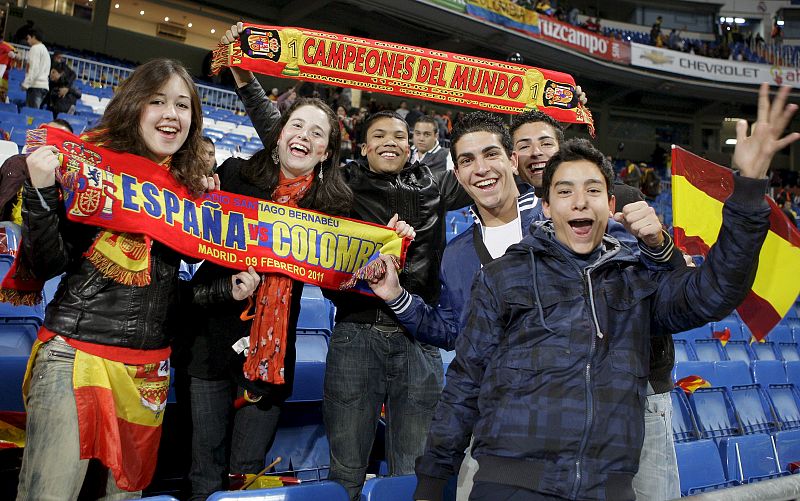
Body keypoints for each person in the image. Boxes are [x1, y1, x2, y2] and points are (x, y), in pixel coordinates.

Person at [414, 84, 798, 501]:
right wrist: (433, 482)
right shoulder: (502, 277)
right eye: (564, 191)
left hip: (606, 488)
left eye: (592, 190)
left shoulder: (636, 280)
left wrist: (749, 187)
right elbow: (465, 383)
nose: (579, 202)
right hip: (509, 486)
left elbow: (717, 290)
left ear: (611, 203)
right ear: (545, 206)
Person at [370, 112, 679, 500]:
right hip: (506, 435)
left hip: (608, 423)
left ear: (512, 161)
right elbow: (454, 333)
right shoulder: (458, 254)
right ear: (459, 174)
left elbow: (659, 288)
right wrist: (397, 297)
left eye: (491, 154)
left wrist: (661, 247)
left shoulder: (570, 213)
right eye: (466, 161)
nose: (481, 169)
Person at [220, 23, 465, 501]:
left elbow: (491, 168)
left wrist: (526, 98)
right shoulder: (341, 186)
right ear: (363, 145)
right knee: (346, 473)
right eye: (380, 134)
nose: (391, 140)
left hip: (421, 340)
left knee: (414, 476)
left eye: (400, 134)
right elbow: (284, 135)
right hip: (356, 336)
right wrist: (246, 79)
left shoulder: (437, 186)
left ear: (412, 145)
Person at [14, 58, 262, 500]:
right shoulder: (94, 167)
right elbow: (49, 261)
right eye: (158, 101)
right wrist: (42, 190)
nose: (172, 114)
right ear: (134, 106)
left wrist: (224, 289)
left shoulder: (187, 196)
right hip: (77, 355)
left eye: (183, 105)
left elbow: (165, 295)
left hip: (148, 372)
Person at [182, 96, 355, 500]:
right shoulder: (235, 175)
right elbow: (193, 248)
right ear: (279, 135)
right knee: (204, 470)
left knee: (246, 475)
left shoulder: (330, 208)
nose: (304, 137)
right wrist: (200, 199)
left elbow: (339, 280)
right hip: (209, 341)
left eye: (317, 133)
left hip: (270, 358)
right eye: (297, 126)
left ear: (326, 152)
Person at [511, 110, 681, 500]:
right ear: (513, 160)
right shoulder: (518, 222)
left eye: (546, 143)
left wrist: (662, 247)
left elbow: (669, 286)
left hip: (640, 388)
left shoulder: (625, 201)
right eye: (523, 145)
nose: (536, 152)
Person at [0, 119, 72, 227]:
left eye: (60, 142)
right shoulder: (16, 164)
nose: (52, 145)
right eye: (49, 136)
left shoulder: (69, 181)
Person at [21, 27, 50, 109]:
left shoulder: (35, 48)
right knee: (34, 114)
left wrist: (26, 84)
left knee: (31, 116)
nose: (27, 41)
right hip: (43, 86)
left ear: (33, 37)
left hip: (36, 86)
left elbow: (33, 68)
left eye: (28, 38)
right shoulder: (44, 49)